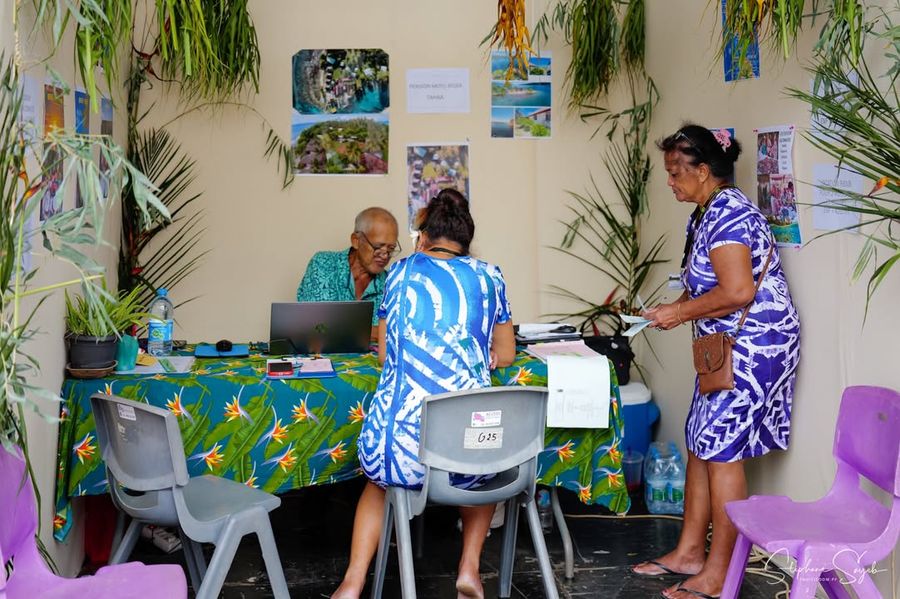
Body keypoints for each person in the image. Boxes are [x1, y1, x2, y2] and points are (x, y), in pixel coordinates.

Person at [633, 124, 800, 599]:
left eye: (675, 172)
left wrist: (679, 311)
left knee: (722, 451)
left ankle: (720, 573)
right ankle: (689, 552)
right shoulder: (705, 212)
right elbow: (708, 283)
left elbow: (739, 291)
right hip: (724, 347)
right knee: (699, 442)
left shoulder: (730, 214)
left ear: (704, 171)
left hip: (756, 345)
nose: (669, 181)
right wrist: (666, 307)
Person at [331, 189, 516, 599]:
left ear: (424, 237)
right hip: (463, 452)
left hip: (399, 453)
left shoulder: (398, 272)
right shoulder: (490, 276)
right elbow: (505, 354)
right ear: (466, 241)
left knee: (377, 486)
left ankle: (352, 581)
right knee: (484, 467)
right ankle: (469, 568)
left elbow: (383, 355)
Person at [296, 207, 400, 335]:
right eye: (378, 246)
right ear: (356, 241)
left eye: (391, 248)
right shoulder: (323, 264)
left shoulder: (390, 284)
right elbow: (313, 324)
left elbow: (394, 334)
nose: (385, 255)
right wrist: (373, 331)